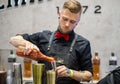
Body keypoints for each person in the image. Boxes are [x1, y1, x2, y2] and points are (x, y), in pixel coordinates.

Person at [9, 0, 93, 84]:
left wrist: (70, 72)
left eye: (72, 22)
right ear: (59, 15)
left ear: (77, 22)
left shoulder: (83, 44)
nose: (67, 24)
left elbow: (89, 76)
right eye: (65, 19)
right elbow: (13, 40)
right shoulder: (43, 37)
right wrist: (27, 44)